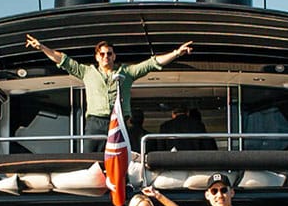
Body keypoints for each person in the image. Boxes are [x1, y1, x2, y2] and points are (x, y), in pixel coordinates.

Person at [22, 34, 193, 151]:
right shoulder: (86, 72)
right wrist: (42, 47)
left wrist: (176, 53)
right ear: (96, 57)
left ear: (114, 56)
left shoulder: (127, 72)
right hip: (95, 123)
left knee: (122, 159)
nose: (106, 56)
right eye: (102, 54)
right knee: (92, 160)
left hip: (119, 122)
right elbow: (63, 60)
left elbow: (151, 63)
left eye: (109, 53)